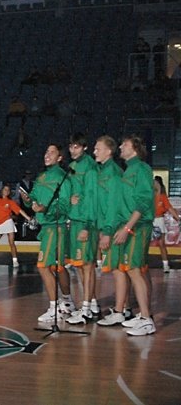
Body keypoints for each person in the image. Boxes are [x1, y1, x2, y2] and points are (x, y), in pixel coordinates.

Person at [109, 135, 156, 336]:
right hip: (130, 225)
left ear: (135, 149)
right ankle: (143, 315)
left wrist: (128, 228)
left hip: (138, 226)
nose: (121, 146)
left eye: (125, 144)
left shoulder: (142, 169)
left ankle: (146, 319)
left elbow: (143, 201)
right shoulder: (129, 170)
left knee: (135, 270)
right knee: (133, 270)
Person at [20, 144, 73, 323]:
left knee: (43, 266)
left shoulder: (63, 177)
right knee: (58, 267)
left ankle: (54, 307)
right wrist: (28, 200)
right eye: (46, 151)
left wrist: (45, 209)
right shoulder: (41, 176)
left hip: (54, 226)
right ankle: (68, 302)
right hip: (47, 227)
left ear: (60, 158)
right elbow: (33, 199)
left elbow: (64, 205)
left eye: (52, 152)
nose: (47, 155)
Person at [64, 133, 101, 324]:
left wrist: (87, 225)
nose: (73, 150)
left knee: (87, 265)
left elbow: (92, 196)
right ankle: (92, 302)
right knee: (78, 264)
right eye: (71, 146)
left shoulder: (90, 167)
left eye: (77, 146)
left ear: (84, 148)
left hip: (86, 221)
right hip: (75, 218)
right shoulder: (72, 166)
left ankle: (85, 309)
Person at [94, 135, 130, 328]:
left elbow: (113, 205)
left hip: (114, 227)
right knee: (118, 269)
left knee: (118, 270)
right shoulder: (103, 171)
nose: (94, 152)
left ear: (109, 151)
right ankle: (124, 308)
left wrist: (107, 231)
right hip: (108, 226)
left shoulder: (113, 173)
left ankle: (119, 312)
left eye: (98, 149)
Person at [0, 183, 32, 268]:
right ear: (2, 191)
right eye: (5, 189)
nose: (6, 191)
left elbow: (19, 210)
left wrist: (28, 218)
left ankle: (15, 261)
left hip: (8, 222)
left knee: (11, 243)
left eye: (8, 190)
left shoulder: (10, 202)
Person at [153, 176, 179, 273]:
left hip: (159, 220)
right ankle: (141, 265)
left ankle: (165, 265)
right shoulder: (147, 196)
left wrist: (177, 218)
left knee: (161, 244)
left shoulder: (162, 197)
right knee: (144, 244)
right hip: (148, 221)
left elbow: (169, 208)